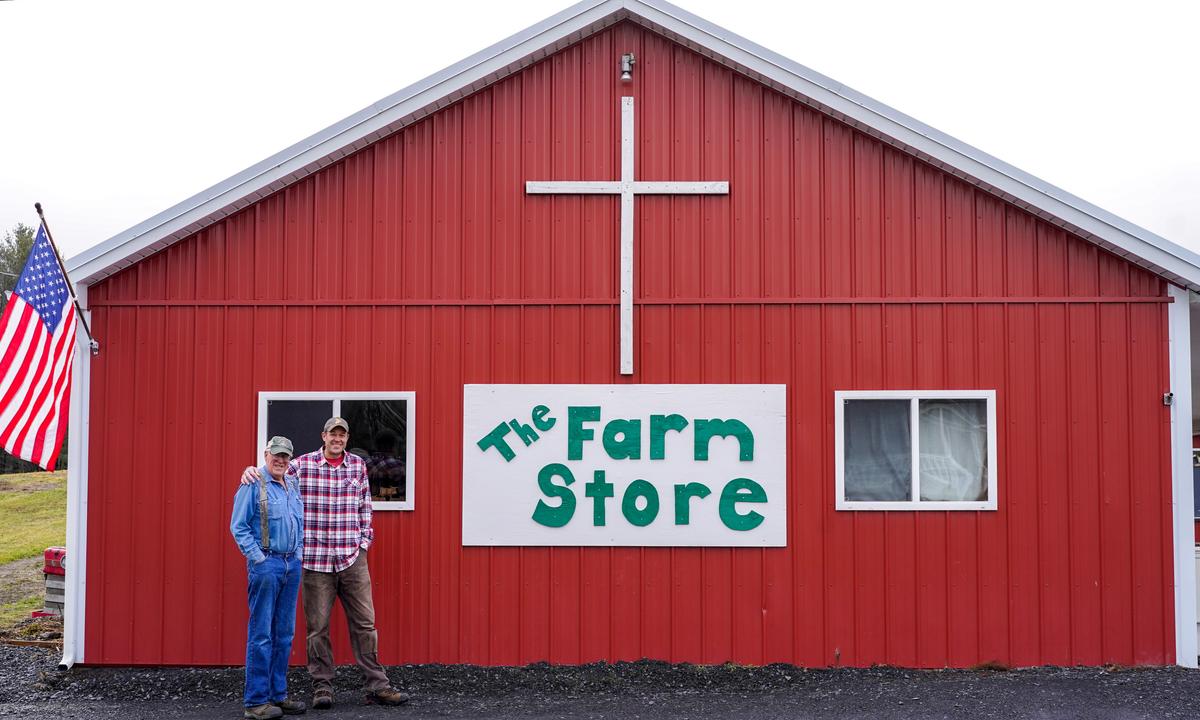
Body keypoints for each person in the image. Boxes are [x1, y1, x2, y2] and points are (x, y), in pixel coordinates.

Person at [243, 417, 408, 709]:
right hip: (315, 562)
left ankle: (377, 685)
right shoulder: (302, 465)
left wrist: (364, 543)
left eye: (342, 435)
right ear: (324, 436)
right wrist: (251, 471)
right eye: (333, 433)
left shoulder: (357, 466)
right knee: (317, 628)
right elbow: (273, 473)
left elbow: (364, 507)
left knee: (365, 625)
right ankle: (322, 686)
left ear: (346, 438)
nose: (338, 439)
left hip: (352, 559)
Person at [230, 436, 307, 719]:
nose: (281, 460)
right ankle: (256, 702)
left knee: (284, 634)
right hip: (266, 564)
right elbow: (238, 527)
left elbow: (298, 522)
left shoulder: (292, 484)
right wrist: (259, 558)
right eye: (276, 455)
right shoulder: (252, 484)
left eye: (286, 456)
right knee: (262, 634)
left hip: (291, 565)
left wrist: (297, 553)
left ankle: (278, 694)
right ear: (266, 454)